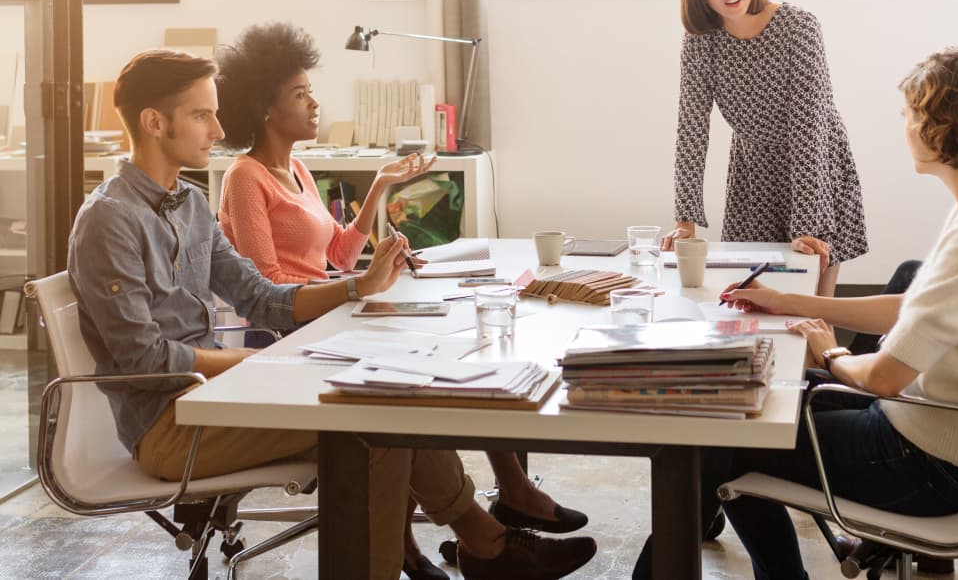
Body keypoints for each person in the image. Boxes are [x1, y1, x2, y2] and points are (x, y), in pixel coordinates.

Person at [68, 49, 596, 580]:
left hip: (211, 397)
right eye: (202, 114)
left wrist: (356, 286)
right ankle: (475, 546)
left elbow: (262, 296)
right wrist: (258, 364)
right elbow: (146, 357)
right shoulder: (110, 220)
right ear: (154, 122)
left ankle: (481, 543)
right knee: (371, 422)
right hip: (168, 426)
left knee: (389, 398)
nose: (219, 127)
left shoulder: (188, 203)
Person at [637, 47, 958, 579]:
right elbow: (916, 307)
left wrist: (829, 351)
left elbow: (882, 376)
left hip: (924, 463)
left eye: (910, 116)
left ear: (938, 128)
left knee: (723, 435)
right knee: (750, 405)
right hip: (954, 440)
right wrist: (794, 302)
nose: (904, 127)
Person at [214, 23, 589, 580]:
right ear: (265, 109)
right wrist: (355, 289)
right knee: (413, 385)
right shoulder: (246, 178)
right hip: (292, 335)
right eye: (299, 94)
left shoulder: (294, 168)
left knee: (452, 352)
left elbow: (340, 254)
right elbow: (270, 285)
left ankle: (479, 523)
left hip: (331, 313)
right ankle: (480, 537)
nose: (314, 102)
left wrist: (378, 191)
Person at [664, 0, 868, 296]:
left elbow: (810, 128)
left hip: (814, 168)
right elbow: (691, 130)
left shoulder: (799, 27)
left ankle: (831, 355)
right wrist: (685, 221)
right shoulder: (700, 43)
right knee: (752, 298)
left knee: (816, 307)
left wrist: (808, 223)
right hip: (752, 173)